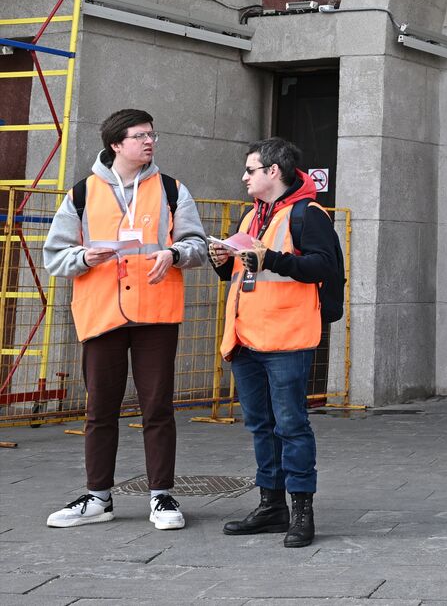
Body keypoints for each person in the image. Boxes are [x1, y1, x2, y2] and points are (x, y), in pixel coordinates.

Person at [42, 109, 207, 530]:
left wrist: (174, 253)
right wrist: (82, 257)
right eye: (139, 136)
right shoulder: (81, 194)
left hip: (155, 314)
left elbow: (197, 245)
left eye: (152, 134)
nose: (149, 142)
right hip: (101, 314)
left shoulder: (172, 190)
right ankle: (98, 497)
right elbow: (54, 256)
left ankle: (161, 497)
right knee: (99, 410)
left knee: (158, 408)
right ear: (117, 144)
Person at [210, 137, 343, 548]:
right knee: (260, 426)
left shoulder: (308, 214)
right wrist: (222, 263)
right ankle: (272, 506)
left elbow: (325, 265)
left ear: (273, 171)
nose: (243, 177)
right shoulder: (252, 215)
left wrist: (274, 259)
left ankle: (302, 510)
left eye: (250, 169)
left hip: (286, 338)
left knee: (291, 426)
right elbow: (245, 272)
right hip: (246, 337)